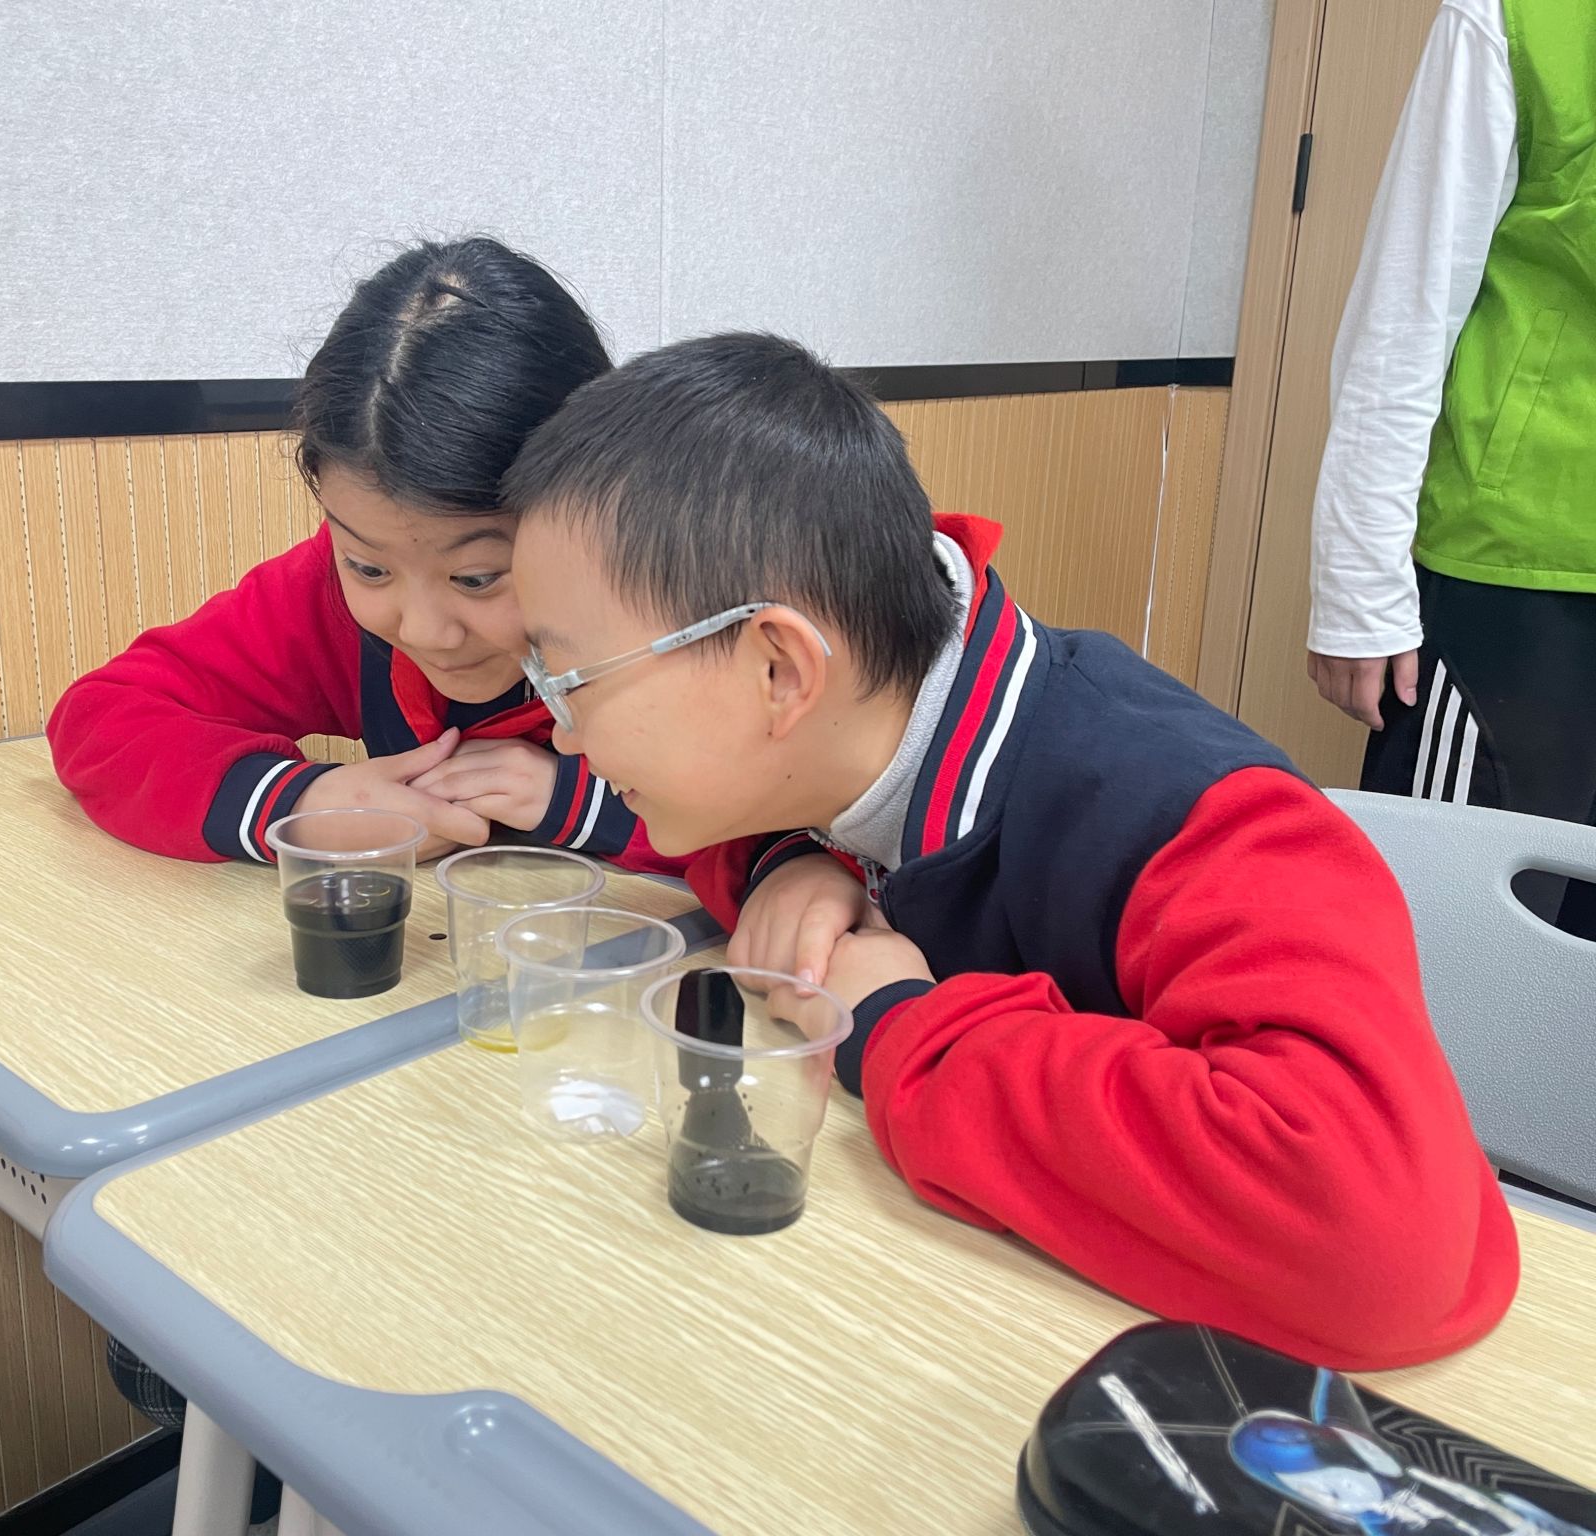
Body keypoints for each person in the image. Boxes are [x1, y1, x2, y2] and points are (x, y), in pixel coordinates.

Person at [503, 332, 1518, 1370]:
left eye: (571, 683)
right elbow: (718, 816)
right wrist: (788, 862)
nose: (563, 735)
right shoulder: (848, 723)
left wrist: (902, 1024)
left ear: (779, 670)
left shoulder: (1192, 818)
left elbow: (1378, 1249)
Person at [48, 236, 674, 875]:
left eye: (477, 578)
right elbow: (101, 719)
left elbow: (749, 823)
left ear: (600, 510)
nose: (425, 631)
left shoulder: (687, 606)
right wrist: (297, 805)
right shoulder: (323, 595)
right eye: (370, 567)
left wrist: (583, 804)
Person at [1307, 0, 1593, 938]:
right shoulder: (1519, 15)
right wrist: (1358, 588)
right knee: (1455, 941)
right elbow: (1409, 302)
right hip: (1516, 576)